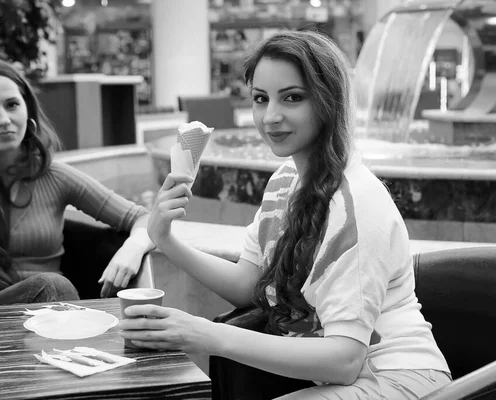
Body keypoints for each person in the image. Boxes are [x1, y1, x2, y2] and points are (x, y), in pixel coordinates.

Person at [118, 31, 452, 399]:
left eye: (292, 98)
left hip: (399, 379)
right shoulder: (285, 181)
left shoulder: (356, 203)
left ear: (329, 101)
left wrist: (208, 334)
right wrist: (165, 238)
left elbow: (344, 359)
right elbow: (247, 285)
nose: (270, 116)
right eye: (260, 99)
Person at [0, 58, 154, 308]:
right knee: (53, 286)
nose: (3, 119)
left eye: (12, 105)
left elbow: (144, 217)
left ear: (28, 110)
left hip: (50, 318)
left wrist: (134, 247)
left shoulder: (55, 176)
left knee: (54, 287)